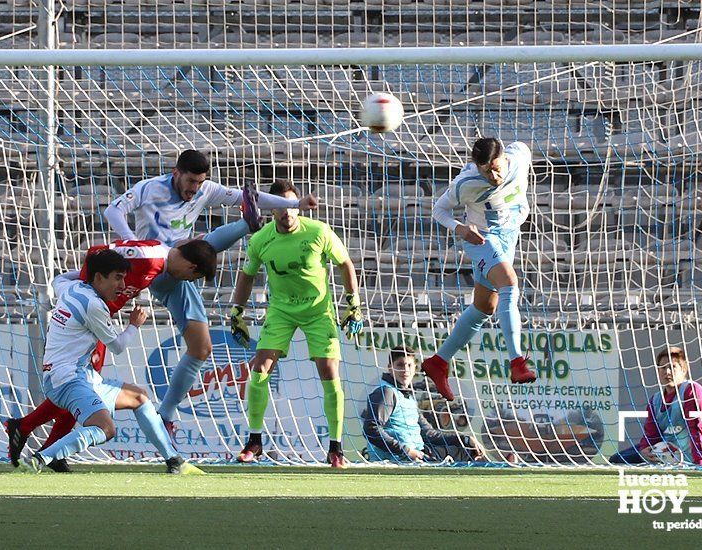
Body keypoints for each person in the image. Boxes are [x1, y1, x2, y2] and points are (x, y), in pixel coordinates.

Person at [103, 150, 319, 433]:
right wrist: (134, 244)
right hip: (158, 267)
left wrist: (295, 203)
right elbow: (112, 211)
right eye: (190, 181)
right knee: (199, 247)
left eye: (199, 182)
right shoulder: (149, 188)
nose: (194, 189)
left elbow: (246, 197)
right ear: (176, 173)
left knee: (201, 348)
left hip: (184, 271)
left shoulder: (205, 190)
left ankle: (165, 416)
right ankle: (244, 225)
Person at [19, 241, 217, 474]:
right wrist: (134, 325)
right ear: (99, 277)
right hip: (68, 380)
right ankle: (40, 459)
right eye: (117, 278)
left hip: (72, 376)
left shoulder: (71, 289)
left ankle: (174, 462)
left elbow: (58, 279)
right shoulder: (94, 306)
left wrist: (87, 271)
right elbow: (117, 346)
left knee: (139, 398)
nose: (123, 286)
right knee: (105, 429)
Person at [229, 180, 363, 468]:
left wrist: (353, 304)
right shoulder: (261, 239)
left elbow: (345, 264)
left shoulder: (318, 231)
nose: (288, 212)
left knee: (329, 371)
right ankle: (254, 441)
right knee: (260, 368)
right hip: (281, 310)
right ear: (272, 210)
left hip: (318, 311)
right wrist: (237, 312)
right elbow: (247, 275)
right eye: (281, 207)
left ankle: (336, 448)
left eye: (292, 205)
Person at [422, 137, 537, 401]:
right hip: (481, 238)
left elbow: (519, 148)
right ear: (477, 166)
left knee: (485, 307)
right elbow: (439, 210)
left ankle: (438, 362)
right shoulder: (466, 183)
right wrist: (460, 229)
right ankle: (517, 362)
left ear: (504, 157)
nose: (494, 175)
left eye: (497, 167)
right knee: (509, 283)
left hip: (509, 237)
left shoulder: (519, 157)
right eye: (487, 170)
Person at [363, 347, 486, 463]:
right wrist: (406, 451)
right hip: (395, 459)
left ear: (415, 368)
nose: (405, 370)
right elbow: (371, 429)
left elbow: (429, 434)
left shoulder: (409, 397)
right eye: (400, 365)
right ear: (390, 368)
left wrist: (465, 439)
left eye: (409, 365)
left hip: (417, 455)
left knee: (469, 449)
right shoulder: (386, 392)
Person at [609, 346, 702, 466]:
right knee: (617, 459)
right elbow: (652, 434)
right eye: (663, 368)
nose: (667, 372)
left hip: (689, 459)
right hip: (664, 454)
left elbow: (697, 430)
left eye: (672, 367)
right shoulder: (655, 400)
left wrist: (700, 464)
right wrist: (646, 448)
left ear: (684, 369)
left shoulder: (692, 391)